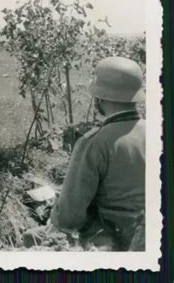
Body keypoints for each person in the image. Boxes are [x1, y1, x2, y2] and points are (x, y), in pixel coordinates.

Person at [23, 56, 146, 251]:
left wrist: (55, 211)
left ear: (100, 97)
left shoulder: (94, 142)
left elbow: (68, 218)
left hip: (115, 239)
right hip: (150, 234)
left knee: (31, 237)